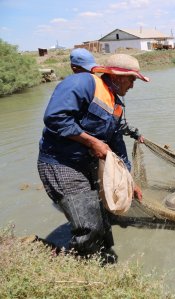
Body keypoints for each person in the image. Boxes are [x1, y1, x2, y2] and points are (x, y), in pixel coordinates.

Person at [37, 54, 149, 259]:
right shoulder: (82, 82)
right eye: (132, 79)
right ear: (117, 75)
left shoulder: (115, 105)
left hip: (86, 166)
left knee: (102, 220)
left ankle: (102, 260)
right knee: (89, 225)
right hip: (61, 163)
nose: (133, 85)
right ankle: (80, 269)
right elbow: (55, 118)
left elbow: (117, 144)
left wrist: (129, 180)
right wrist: (92, 142)